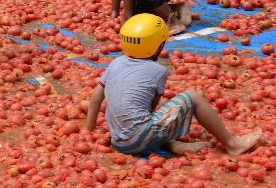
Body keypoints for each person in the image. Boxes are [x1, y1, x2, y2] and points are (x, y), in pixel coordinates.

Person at [87, 13, 262, 156]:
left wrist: (90, 130)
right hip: (140, 141)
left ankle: (171, 145)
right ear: (159, 45)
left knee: (148, 115)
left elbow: (95, 99)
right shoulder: (157, 71)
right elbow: (151, 108)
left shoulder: (114, 63)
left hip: (117, 142)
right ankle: (232, 144)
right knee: (193, 96)